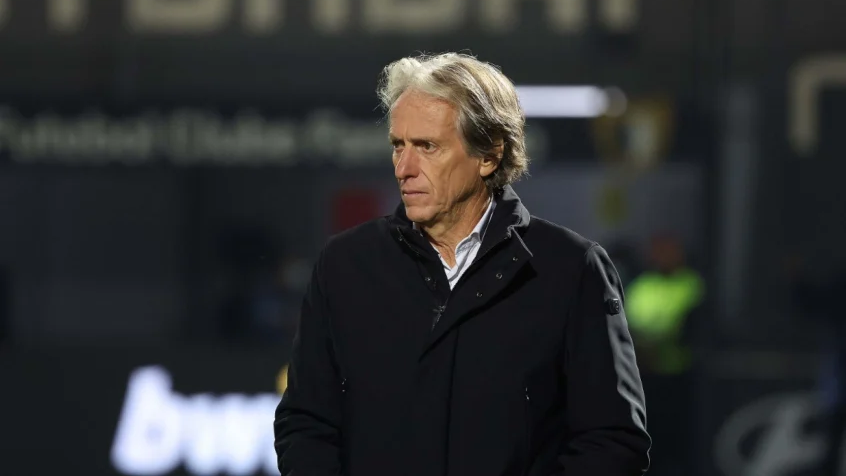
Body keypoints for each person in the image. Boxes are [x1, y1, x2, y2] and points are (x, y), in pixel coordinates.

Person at [274, 53, 651, 476]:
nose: (404, 168)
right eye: (398, 145)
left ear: (489, 155)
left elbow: (613, 442)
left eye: (427, 147)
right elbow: (305, 421)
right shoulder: (345, 265)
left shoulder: (570, 269)